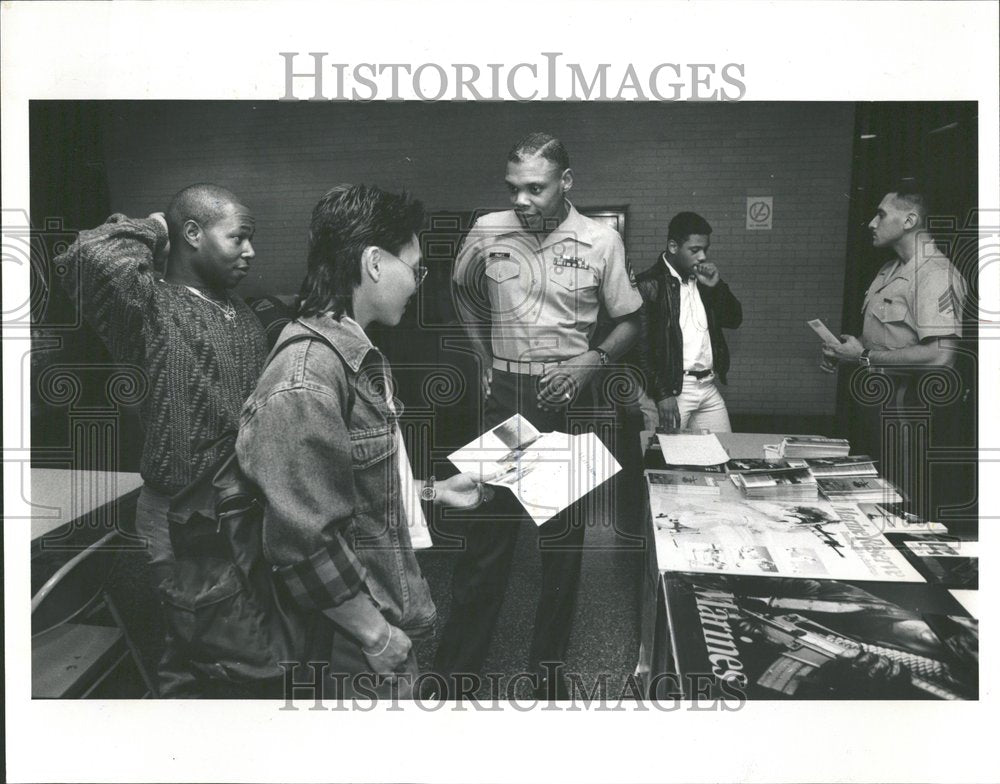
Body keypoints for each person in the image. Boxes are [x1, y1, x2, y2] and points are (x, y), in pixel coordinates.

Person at [235, 184, 485, 699]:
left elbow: (352, 484)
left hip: (383, 613)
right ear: (374, 262)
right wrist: (376, 636)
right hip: (356, 636)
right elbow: (302, 540)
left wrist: (435, 491)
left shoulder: (356, 352)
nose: (418, 283)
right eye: (415, 267)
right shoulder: (306, 376)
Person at [440, 132, 643, 699]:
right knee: (487, 541)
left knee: (561, 548)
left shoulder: (601, 240)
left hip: (567, 399)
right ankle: (457, 678)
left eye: (536, 188)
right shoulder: (487, 230)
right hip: (506, 398)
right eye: (515, 188)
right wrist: (484, 357)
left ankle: (546, 676)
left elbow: (631, 320)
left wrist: (591, 362)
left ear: (566, 182)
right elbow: (461, 292)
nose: (523, 199)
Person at [821, 184, 967, 509]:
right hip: (877, 405)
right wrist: (849, 351)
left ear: (910, 220)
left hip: (908, 410)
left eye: (882, 214)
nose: (872, 223)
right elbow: (885, 340)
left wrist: (862, 356)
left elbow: (941, 357)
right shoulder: (890, 270)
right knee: (873, 499)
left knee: (903, 504)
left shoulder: (936, 275)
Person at [635, 211, 743, 433]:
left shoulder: (704, 282)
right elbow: (640, 349)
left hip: (708, 387)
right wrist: (662, 394)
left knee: (721, 453)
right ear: (673, 247)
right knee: (666, 461)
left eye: (705, 249)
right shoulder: (648, 285)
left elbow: (734, 320)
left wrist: (717, 287)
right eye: (695, 250)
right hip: (673, 390)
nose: (702, 257)